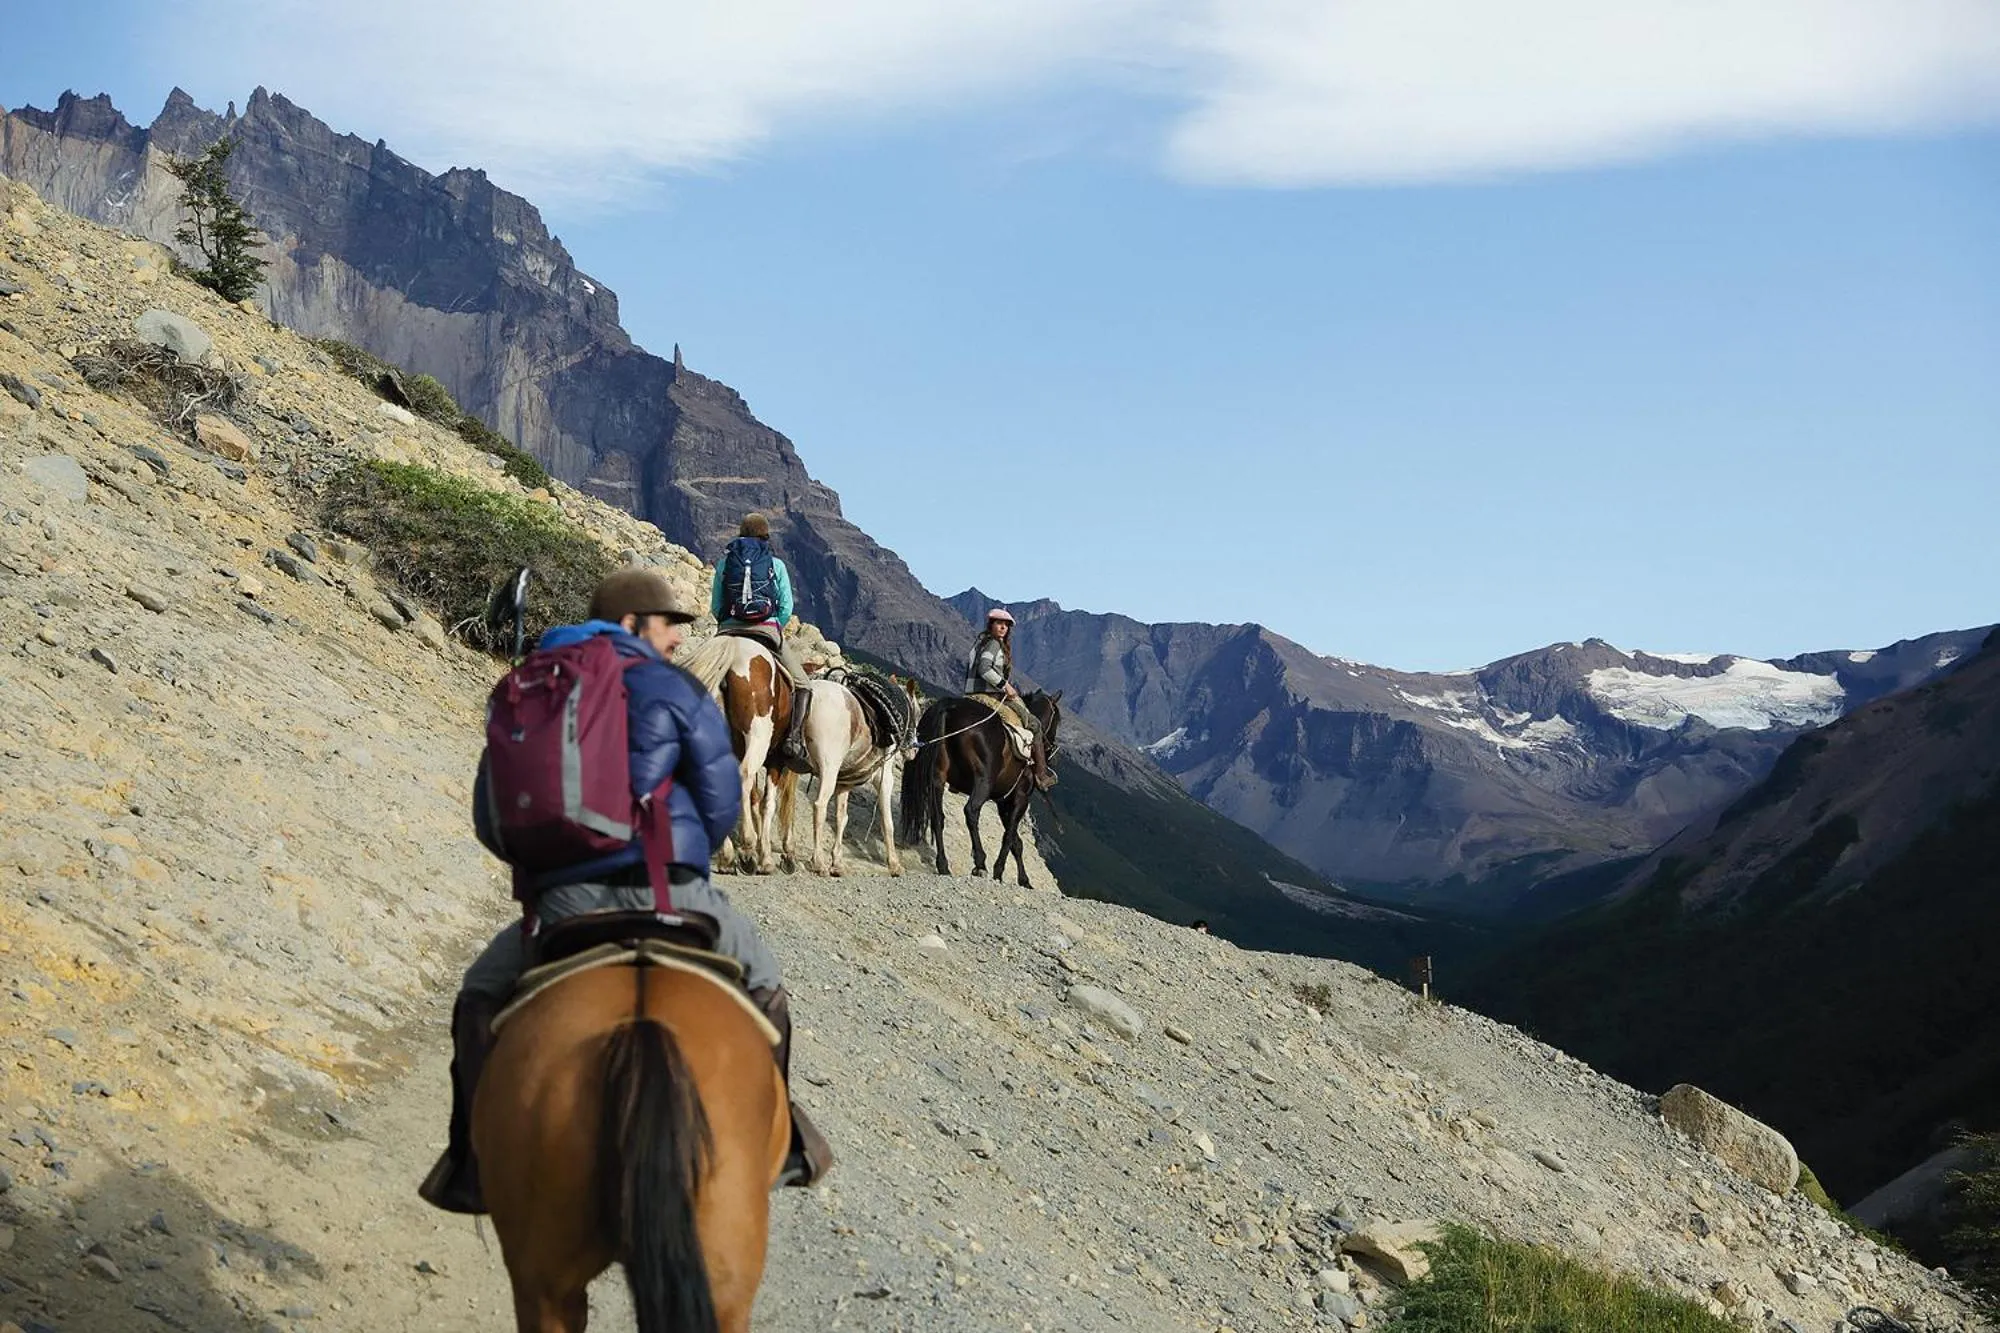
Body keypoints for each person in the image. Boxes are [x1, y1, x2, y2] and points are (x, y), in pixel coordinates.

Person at [418, 567, 833, 1214]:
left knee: (477, 997)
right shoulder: (672, 688)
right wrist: (684, 850)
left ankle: (472, 1164)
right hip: (671, 894)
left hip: (561, 903)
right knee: (765, 983)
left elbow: (490, 817)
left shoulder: (530, 683)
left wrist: (549, 868)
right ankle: (781, 1148)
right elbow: (722, 801)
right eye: (669, 625)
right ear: (633, 624)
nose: (679, 639)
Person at [712, 512, 812, 762]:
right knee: (803, 684)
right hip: (765, 630)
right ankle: (794, 740)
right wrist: (773, 627)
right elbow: (786, 607)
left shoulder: (725, 564)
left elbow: (716, 606)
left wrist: (728, 623)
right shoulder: (776, 565)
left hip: (728, 631)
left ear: (741, 534)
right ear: (765, 536)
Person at [966, 607, 1055, 790]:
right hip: (988, 694)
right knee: (1034, 724)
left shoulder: (981, 642)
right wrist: (1005, 685)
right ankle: (1041, 774)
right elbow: (984, 669)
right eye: (999, 623)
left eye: (1006, 625)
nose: (1003, 628)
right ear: (991, 624)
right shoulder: (993, 644)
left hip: (971, 693)